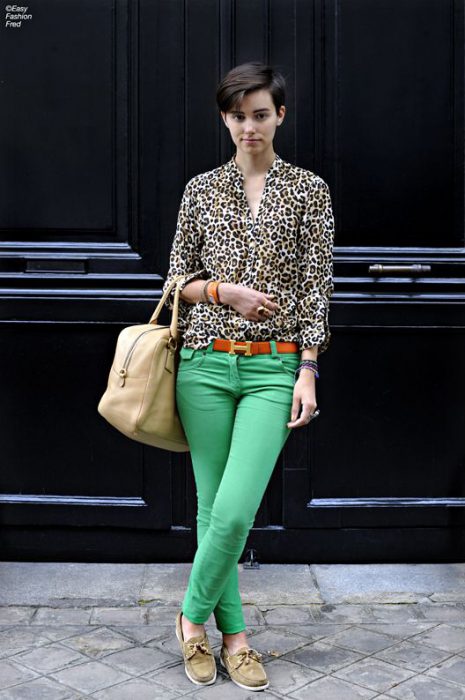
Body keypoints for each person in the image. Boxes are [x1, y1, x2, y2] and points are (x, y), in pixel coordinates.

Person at [162, 61, 335, 692]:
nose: (249, 126)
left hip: (274, 366)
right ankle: (233, 639)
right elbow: (174, 282)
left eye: (260, 114)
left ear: (279, 116)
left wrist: (308, 370)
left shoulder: (310, 192)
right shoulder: (200, 191)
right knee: (213, 512)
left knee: (234, 513)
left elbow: (317, 289)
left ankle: (187, 616)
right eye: (238, 116)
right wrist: (223, 290)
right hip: (204, 365)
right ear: (224, 119)